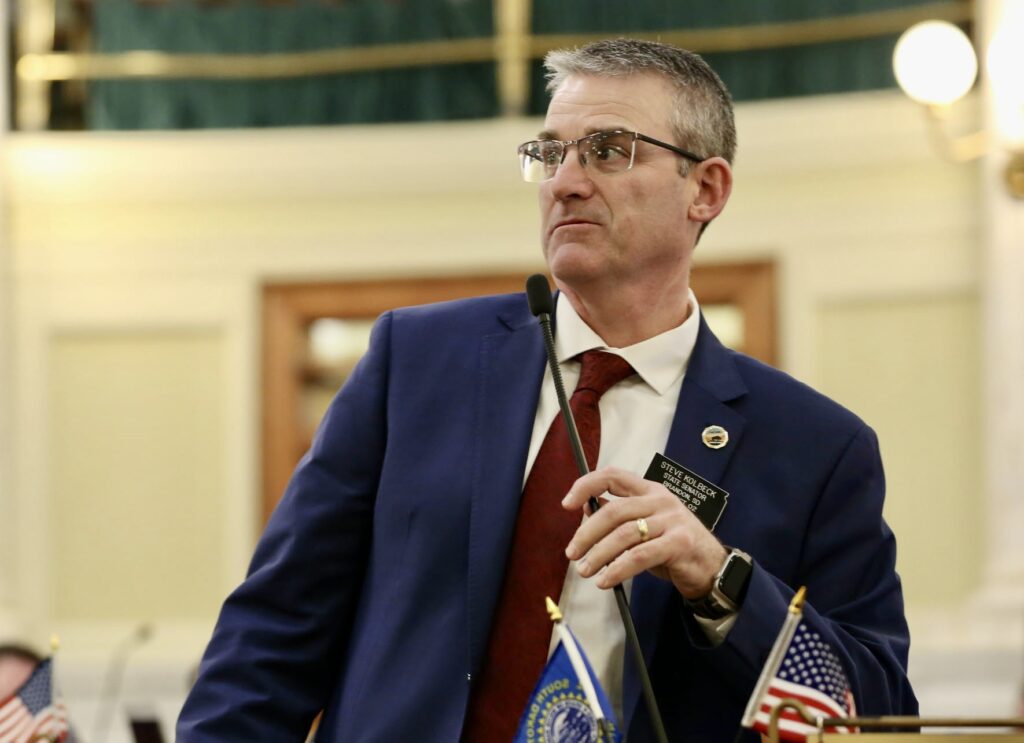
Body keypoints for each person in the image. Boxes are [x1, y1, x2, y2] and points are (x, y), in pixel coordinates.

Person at [178, 39, 917, 741]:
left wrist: (718, 579)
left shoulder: (815, 446)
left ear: (707, 188)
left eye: (607, 151)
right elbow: (272, 633)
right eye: (549, 152)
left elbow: (872, 705)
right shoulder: (417, 362)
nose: (565, 180)